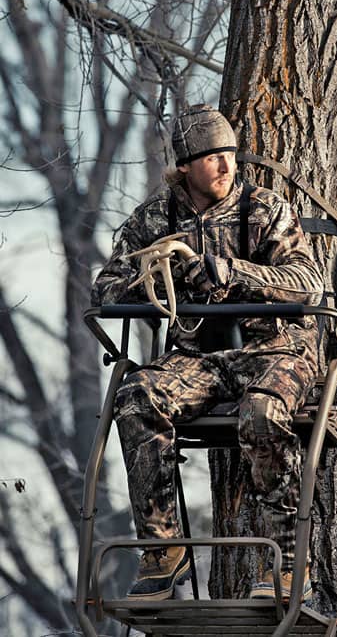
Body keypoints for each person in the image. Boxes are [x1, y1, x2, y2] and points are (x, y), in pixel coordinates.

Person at [91, 104, 323, 602]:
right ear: (184, 167)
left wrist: (226, 271)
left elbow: (308, 285)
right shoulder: (156, 217)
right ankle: (164, 550)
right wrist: (158, 274)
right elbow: (105, 290)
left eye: (229, 155)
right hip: (198, 358)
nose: (224, 166)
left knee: (261, 413)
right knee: (137, 397)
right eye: (211, 157)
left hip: (275, 350)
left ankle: (287, 563)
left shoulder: (265, 209)